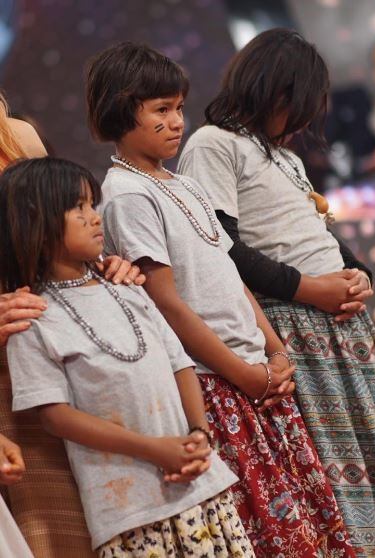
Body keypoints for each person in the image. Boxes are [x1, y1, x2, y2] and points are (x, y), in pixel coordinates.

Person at [88, 41, 355, 557]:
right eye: (160, 110)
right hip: (219, 382)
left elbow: (231, 275)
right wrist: (242, 371)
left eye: (179, 108)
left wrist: (276, 351)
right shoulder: (125, 194)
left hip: (258, 370)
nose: (176, 122)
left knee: (312, 517)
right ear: (121, 111)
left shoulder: (183, 185)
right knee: (273, 531)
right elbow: (168, 304)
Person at [178, 28, 375, 558]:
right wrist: (310, 290)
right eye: (298, 105)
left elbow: (316, 232)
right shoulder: (213, 144)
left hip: (343, 328)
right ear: (272, 91)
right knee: (335, 465)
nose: (302, 121)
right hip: (295, 330)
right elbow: (224, 250)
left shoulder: (285, 158)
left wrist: (358, 274)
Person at [2, 156, 252, 558]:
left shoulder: (129, 287)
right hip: (130, 511)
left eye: (92, 204)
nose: (95, 217)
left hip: (199, 485)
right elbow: (55, 416)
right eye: (78, 208)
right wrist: (155, 450)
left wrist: (199, 434)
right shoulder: (31, 319)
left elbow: (180, 364)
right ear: (38, 221)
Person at [0, 91, 145, 557]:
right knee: (54, 528)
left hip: (63, 331)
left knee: (125, 506)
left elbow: (56, 218)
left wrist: (102, 264)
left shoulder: (14, 135)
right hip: (11, 370)